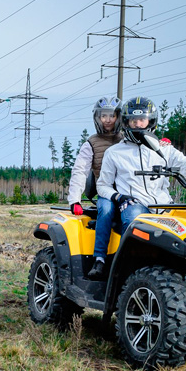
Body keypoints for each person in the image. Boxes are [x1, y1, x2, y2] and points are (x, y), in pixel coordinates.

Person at [95, 96, 186, 278]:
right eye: (133, 120)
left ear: (151, 121)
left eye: (142, 120)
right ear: (126, 122)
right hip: (134, 204)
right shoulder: (114, 152)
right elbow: (102, 185)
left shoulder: (164, 149)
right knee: (135, 219)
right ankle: (126, 273)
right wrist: (120, 197)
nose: (138, 125)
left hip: (165, 206)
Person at [67, 97, 122, 279]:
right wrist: (74, 199)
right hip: (105, 192)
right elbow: (80, 171)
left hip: (129, 191)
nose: (107, 120)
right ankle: (99, 259)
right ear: (97, 118)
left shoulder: (127, 139)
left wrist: (161, 144)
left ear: (118, 117)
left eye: (111, 115)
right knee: (105, 210)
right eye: (103, 116)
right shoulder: (91, 143)